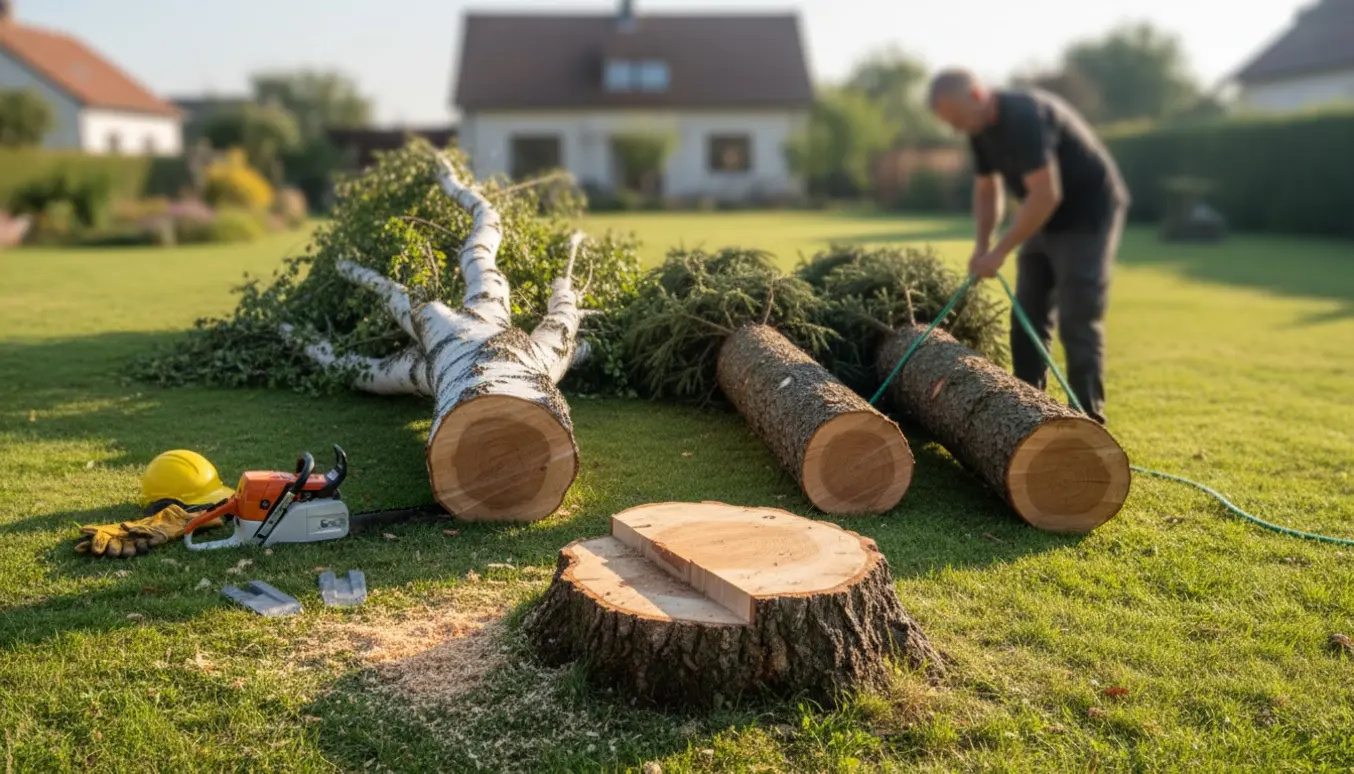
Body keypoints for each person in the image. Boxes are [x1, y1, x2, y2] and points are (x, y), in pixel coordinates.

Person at [927, 68, 1129, 425]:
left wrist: (1000, 251)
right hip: (1044, 216)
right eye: (950, 123)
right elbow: (988, 190)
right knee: (1027, 317)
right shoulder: (979, 131)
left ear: (976, 95)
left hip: (1086, 215)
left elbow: (1046, 193)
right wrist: (981, 246)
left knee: (1076, 318)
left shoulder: (1024, 118)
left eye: (957, 118)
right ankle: (1029, 413)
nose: (956, 129)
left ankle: (1088, 422)